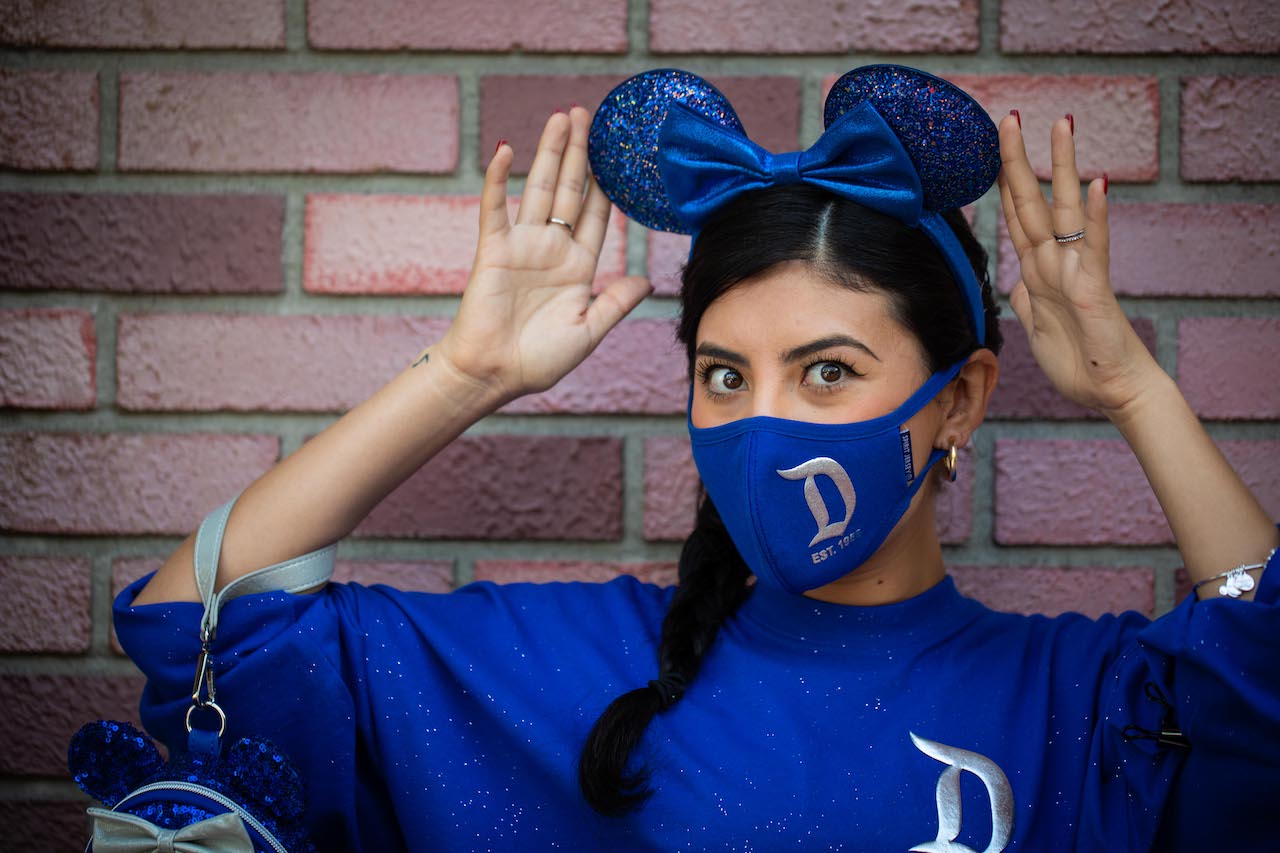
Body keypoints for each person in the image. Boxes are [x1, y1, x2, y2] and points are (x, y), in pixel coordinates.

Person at [117, 67, 1278, 851]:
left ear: (958, 398)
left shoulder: (1081, 697)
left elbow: (1261, 693)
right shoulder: (568, 664)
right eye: (724, 376)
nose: (762, 420)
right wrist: (468, 374)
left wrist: (1133, 387)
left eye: (825, 371)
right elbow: (205, 625)